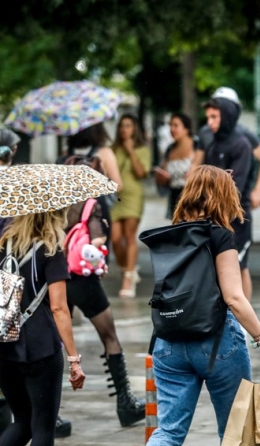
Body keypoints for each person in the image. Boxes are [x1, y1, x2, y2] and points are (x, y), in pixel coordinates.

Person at [147, 165, 260, 445]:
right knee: (236, 432)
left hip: (168, 340)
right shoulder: (220, 235)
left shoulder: (169, 236)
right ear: (223, 196)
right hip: (217, 340)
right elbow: (233, 296)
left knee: (168, 431)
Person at [62, 155, 146, 427]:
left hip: (56, 280)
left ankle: (47, 413)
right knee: (109, 336)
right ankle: (125, 403)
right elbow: (97, 240)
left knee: (51, 344)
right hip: (84, 281)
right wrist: (98, 254)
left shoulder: (55, 203)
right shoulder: (92, 205)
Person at [0, 210, 86, 446]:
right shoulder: (50, 251)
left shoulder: (3, 243)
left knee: (22, 421)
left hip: (5, 345)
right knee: (42, 426)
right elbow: (60, 308)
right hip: (41, 348)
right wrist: (74, 359)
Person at [192, 87, 260, 300]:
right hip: (214, 214)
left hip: (236, 215)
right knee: (216, 266)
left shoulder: (242, 141)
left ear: (229, 112)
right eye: (208, 116)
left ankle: (244, 321)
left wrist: (259, 189)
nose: (209, 121)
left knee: (238, 266)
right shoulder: (211, 139)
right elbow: (199, 169)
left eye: (215, 116)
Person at [110, 114, 151, 298]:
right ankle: (129, 268)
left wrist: (131, 151)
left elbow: (142, 173)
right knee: (115, 239)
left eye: (128, 125)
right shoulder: (113, 149)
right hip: (115, 198)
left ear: (135, 128)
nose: (125, 129)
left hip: (133, 196)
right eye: (122, 126)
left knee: (129, 236)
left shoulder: (142, 149)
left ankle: (128, 278)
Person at [154, 113, 195, 217]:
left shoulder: (197, 145)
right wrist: (161, 176)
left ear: (186, 128)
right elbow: (163, 173)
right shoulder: (170, 149)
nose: (172, 129)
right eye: (170, 125)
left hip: (193, 196)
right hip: (175, 196)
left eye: (176, 125)